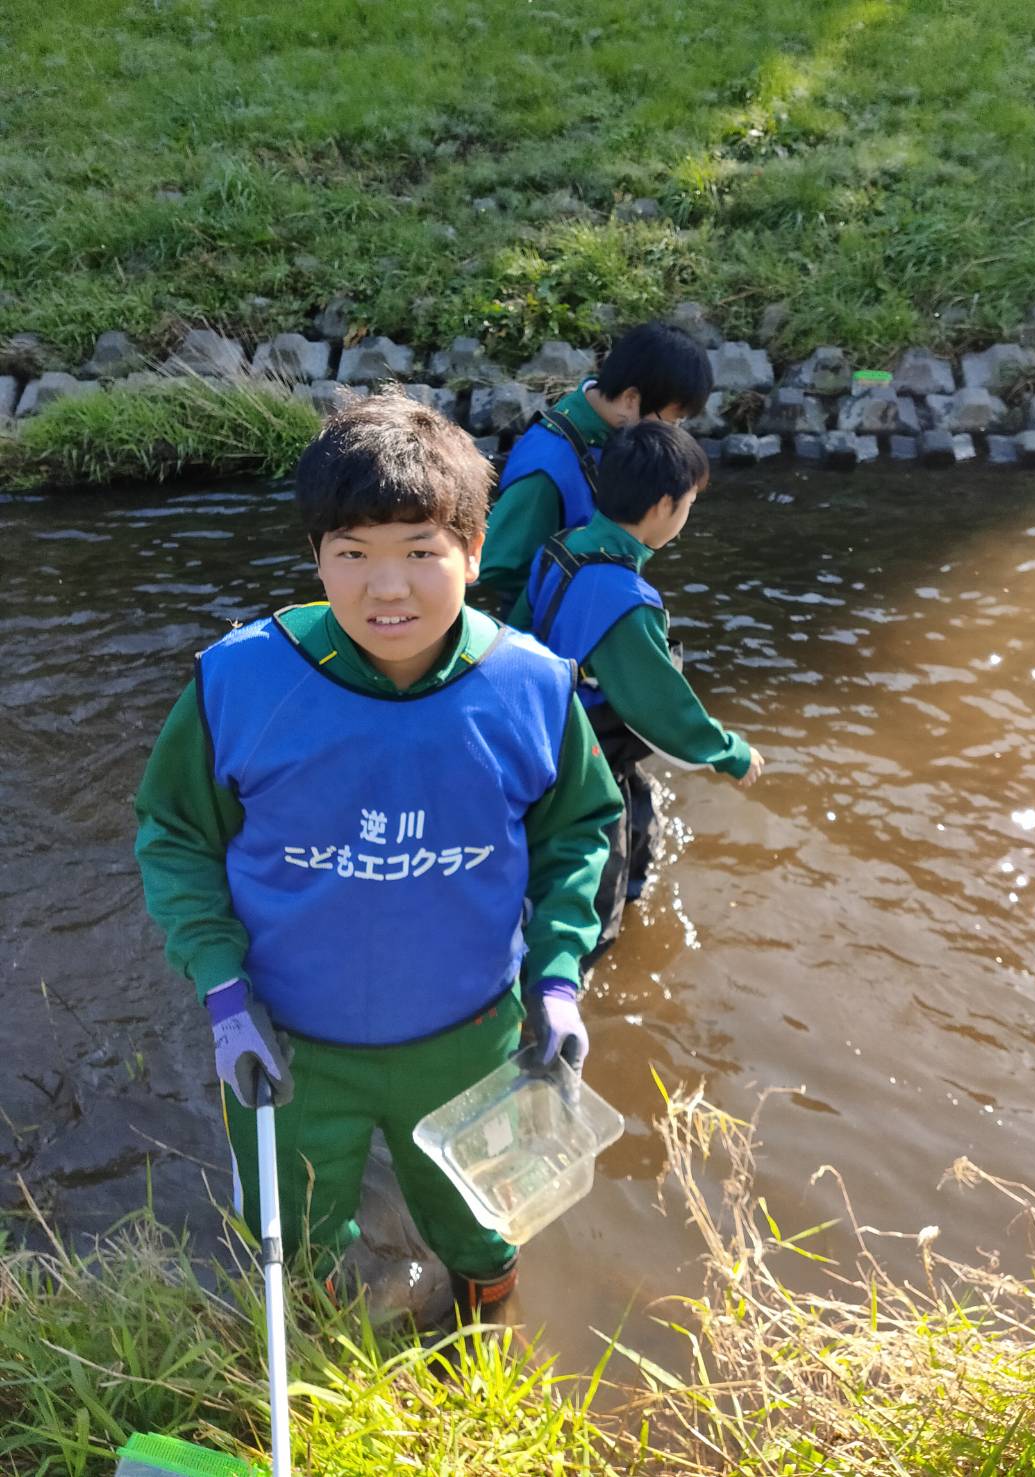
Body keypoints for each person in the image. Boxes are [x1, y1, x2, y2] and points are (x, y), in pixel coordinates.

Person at [134, 388, 622, 1324]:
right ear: (317, 557)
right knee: (288, 1234)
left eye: (421, 553)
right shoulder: (240, 680)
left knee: (483, 1224)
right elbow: (177, 836)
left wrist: (557, 979)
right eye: (352, 554)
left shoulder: (530, 686)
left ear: (475, 553)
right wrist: (223, 993)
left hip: (471, 1038)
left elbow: (576, 835)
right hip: (285, 1043)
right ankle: (324, 1369)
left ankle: (482, 1349)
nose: (385, 588)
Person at [510, 420, 764, 960]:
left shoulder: (562, 546)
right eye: (689, 503)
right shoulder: (626, 600)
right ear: (663, 507)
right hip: (587, 753)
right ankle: (583, 968)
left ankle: (622, 907)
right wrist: (731, 753)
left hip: (547, 726)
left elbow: (520, 629)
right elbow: (661, 710)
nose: (687, 516)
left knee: (637, 816)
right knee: (600, 864)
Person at [479, 320, 713, 615]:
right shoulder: (548, 467)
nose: (675, 433)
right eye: (672, 421)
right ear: (631, 399)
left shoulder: (608, 428)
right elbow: (499, 565)